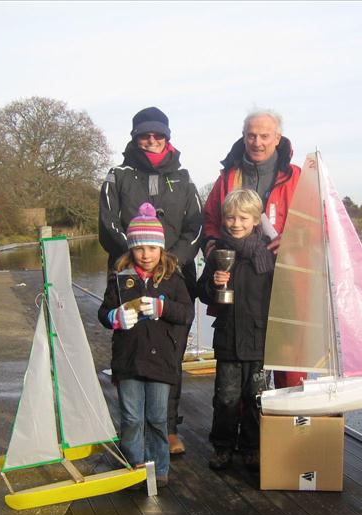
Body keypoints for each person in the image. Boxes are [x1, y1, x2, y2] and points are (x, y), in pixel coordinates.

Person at [99, 106, 202, 455]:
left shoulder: (185, 179)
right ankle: (133, 429)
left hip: (175, 279)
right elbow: (107, 224)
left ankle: (168, 428)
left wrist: (172, 262)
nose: (152, 140)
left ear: (168, 137)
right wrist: (133, 256)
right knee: (130, 348)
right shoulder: (118, 176)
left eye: (158, 135)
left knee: (170, 352)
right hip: (129, 277)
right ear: (135, 137)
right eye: (145, 135)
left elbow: (195, 228)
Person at [201, 109, 304, 389]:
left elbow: (323, 224)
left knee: (289, 363)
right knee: (243, 366)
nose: (257, 142)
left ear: (277, 138)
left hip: (287, 283)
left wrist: (295, 237)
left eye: (264, 136)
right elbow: (210, 219)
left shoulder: (299, 178)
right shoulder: (227, 177)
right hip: (241, 286)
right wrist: (211, 248)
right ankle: (246, 431)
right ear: (244, 137)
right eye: (251, 136)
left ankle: (287, 426)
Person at [98, 203, 195, 487]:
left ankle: (159, 469)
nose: (146, 254)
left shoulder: (174, 279)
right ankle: (134, 466)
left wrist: (163, 308)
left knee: (156, 418)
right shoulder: (119, 279)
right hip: (128, 360)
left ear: (161, 249)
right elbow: (103, 313)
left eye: (152, 248)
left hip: (161, 361)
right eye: (140, 248)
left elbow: (187, 313)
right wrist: (115, 317)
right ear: (131, 249)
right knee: (131, 418)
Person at [197, 189, 275, 472]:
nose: (236, 223)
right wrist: (214, 283)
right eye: (230, 217)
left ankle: (253, 447)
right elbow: (202, 292)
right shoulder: (217, 253)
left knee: (258, 397)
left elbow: (283, 295)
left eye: (243, 218)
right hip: (228, 338)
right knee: (226, 398)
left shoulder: (269, 254)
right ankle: (223, 447)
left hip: (260, 340)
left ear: (256, 220)